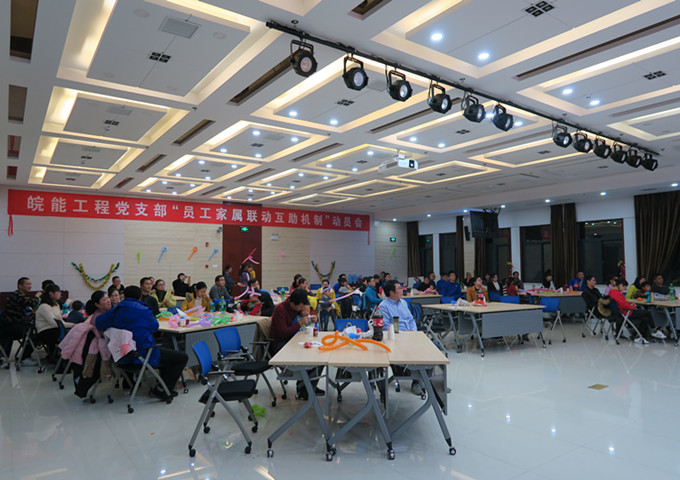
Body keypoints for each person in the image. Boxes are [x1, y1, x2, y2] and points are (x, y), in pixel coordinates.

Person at [96, 286, 188, 400]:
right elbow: (154, 327)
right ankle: (161, 390)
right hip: (142, 354)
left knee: (166, 354)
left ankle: (162, 388)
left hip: (122, 355)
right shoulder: (144, 310)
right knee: (181, 357)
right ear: (140, 297)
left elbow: (99, 322)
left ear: (124, 296)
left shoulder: (116, 310)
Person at [269, 288, 321, 400]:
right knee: (310, 357)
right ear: (293, 303)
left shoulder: (294, 308)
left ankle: (309, 386)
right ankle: (304, 389)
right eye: (300, 307)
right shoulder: (280, 310)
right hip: (281, 345)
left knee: (318, 356)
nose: (301, 309)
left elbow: (303, 316)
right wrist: (300, 323)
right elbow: (283, 333)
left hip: (293, 341)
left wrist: (313, 319)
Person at [378, 280, 424, 395]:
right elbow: (386, 327)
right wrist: (404, 333)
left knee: (434, 348)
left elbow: (411, 319)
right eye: (399, 288)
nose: (402, 290)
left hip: (411, 335)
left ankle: (429, 381)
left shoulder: (403, 302)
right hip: (397, 337)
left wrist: (413, 332)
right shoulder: (383, 306)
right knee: (418, 352)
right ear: (391, 292)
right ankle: (417, 382)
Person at [0, 277, 41, 365]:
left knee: (31, 331)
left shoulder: (20, 296)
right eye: (27, 284)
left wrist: (31, 314)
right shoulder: (17, 295)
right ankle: (24, 358)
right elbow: (32, 302)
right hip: (10, 326)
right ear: (20, 286)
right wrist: (37, 296)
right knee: (33, 335)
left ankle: (23, 356)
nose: (30, 286)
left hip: (13, 324)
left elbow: (21, 312)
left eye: (30, 284)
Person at [609, 279, 662, 343]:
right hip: (626, 313)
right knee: (647, 313)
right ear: (620, 285)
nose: (625, 289)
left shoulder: (612, 292)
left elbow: (622, 303)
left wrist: (630, 304)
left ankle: (638, 336)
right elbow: (624, 305)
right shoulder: (616, 293)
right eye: (625, 287)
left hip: (623, 312)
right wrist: (633, 307)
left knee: (645, 319)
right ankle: (654, 330)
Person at [36, 284, 74, 359]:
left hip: (56, 329)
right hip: (45, 331)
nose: (60, 293)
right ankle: (62, 358)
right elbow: (55, 323)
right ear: (51, 293)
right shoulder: (44, 306)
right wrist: (73, 325)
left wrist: (73, 325)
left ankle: (63, 357)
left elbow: (60, 321)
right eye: (58, 291)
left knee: (73, 332)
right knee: (70, 334)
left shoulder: (56, 305)